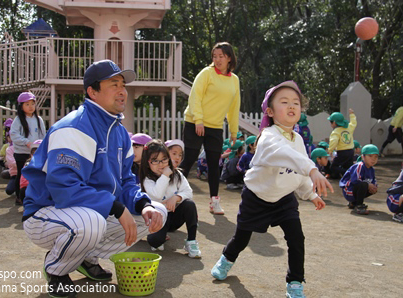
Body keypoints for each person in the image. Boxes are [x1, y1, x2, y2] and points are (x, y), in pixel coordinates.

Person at [21, 60, 167, 298]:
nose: (122, 91)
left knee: (157, 212)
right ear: (92, 91)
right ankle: (57, 269)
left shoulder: (119, 132)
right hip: (45, 212)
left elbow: (126, 181)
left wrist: (144, 204)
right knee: (91, 222)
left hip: (86, 212)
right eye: (114, 84)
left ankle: (84, 258)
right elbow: (64, 189)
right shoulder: (73, 127)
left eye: (123, 85)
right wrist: (116, 207)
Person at [210, 81, 333, 298]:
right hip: (256, 197)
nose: (291, 106)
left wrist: (310, 194)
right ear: (270, 111)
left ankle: (295, 282)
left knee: (297, 239)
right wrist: (312, 169)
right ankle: (227, 259)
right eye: (284, 102)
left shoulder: (299, 139)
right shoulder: (268, 137)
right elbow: (284, 154)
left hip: (284, 199)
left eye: (296, 102)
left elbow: (298, 170)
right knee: (241, 238)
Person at [180, 42, 241, 215]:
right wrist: (198, 120)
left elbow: (234, 107)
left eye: (221, 56)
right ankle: (173, 193)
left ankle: (215, 201)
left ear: (229, 58)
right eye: (215, 56)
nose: (217, 59)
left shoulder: (234, 80)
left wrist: (234, 132)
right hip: (194, 122)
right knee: (190, 158)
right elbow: (195, 97)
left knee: (215, 164)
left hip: (215, 126)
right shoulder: (206, 73)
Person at [140, 140, 201, 258]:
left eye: (164, 159)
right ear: (148, 163)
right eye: (155, 160)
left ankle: (191, 241)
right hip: (158, 218)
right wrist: (165, 176)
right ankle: (158, 236)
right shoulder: (147, 180)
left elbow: (188, 192)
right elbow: (157, 194)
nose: (160, 164)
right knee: (155, 242)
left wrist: (176, 197)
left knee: (189, 204)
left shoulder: (177, 174)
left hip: (173, 216)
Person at [9, 92, 46, 199]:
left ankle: (33, 195)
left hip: (35, 153)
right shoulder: (18, 120)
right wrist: (27, 142)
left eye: (32, 104)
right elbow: (14, 135)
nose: (31, 107)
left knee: (35, 174)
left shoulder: (39, 120)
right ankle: (19, 197)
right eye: (27, 104)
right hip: (22, 152)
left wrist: (40, 146)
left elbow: (43, 135)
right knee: (21, 175)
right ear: (21, 106)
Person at [339, 144, 379, 215]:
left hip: (356, 190)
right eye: (370, 156)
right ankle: (359, 206)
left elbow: (373, 181)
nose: (373, 159)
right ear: (363, 157)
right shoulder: (360, 166)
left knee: (370, 187)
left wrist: (374, 187)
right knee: (364, 185)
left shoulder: (371, 169)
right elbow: (355, 180)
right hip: (349, 190)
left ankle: (354, 203)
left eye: (375, 157)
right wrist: (368, 185)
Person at [327, 109, 357, 179]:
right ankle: (349, 177)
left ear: (334, 123)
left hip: (342, 152)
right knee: (348, 165)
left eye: (331, 122)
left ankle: (346, 172)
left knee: (333, 167)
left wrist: (330, 150)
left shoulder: (336, 131)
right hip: (350, 151)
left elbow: (333, 141)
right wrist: (352, 114)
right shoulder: (348, 128)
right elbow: (353, 123)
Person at [19, 140, 42, 205]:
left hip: (40, 187)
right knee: (24, 190)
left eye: (38, 152)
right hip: (29, 186)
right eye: (33, 153)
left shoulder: (46, 163)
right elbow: (23, 180)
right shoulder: (28, 163)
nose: (35, 155)